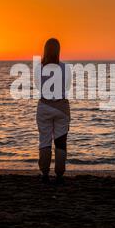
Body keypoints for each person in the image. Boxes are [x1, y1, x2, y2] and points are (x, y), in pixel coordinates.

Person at [34, 38, 71, 185]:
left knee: (45, 139)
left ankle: (44, 173)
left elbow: (38, 86)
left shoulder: (39, 68)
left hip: (44, 106)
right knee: (61, 141)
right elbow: (67, 87)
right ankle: (60, 174)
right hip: (61, 106)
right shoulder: (64, 68)